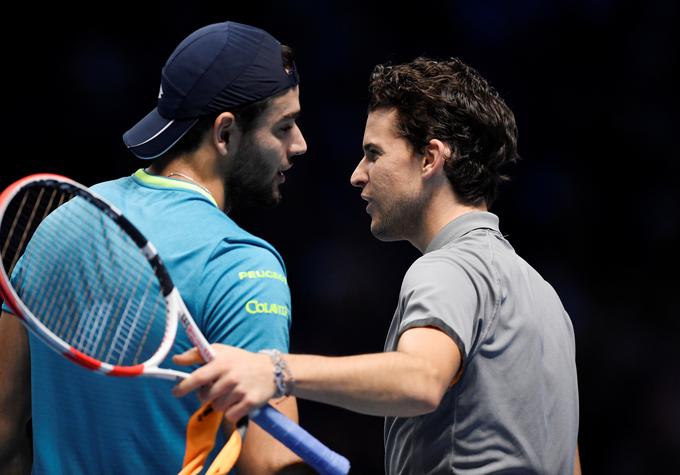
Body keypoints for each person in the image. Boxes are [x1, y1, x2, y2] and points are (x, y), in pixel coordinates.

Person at [173, 57, 582, 474]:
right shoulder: (547, 299)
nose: (357, 175)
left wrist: (273, 370)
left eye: (374, 154)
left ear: (430, 159)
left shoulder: (449, 268)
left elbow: (420, 379)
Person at [0, 21, 312, 474]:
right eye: (283, 126)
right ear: (225, 133)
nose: (299, 144)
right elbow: (270, 465)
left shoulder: (58, 223)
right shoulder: (240, 264)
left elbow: (4, 431)